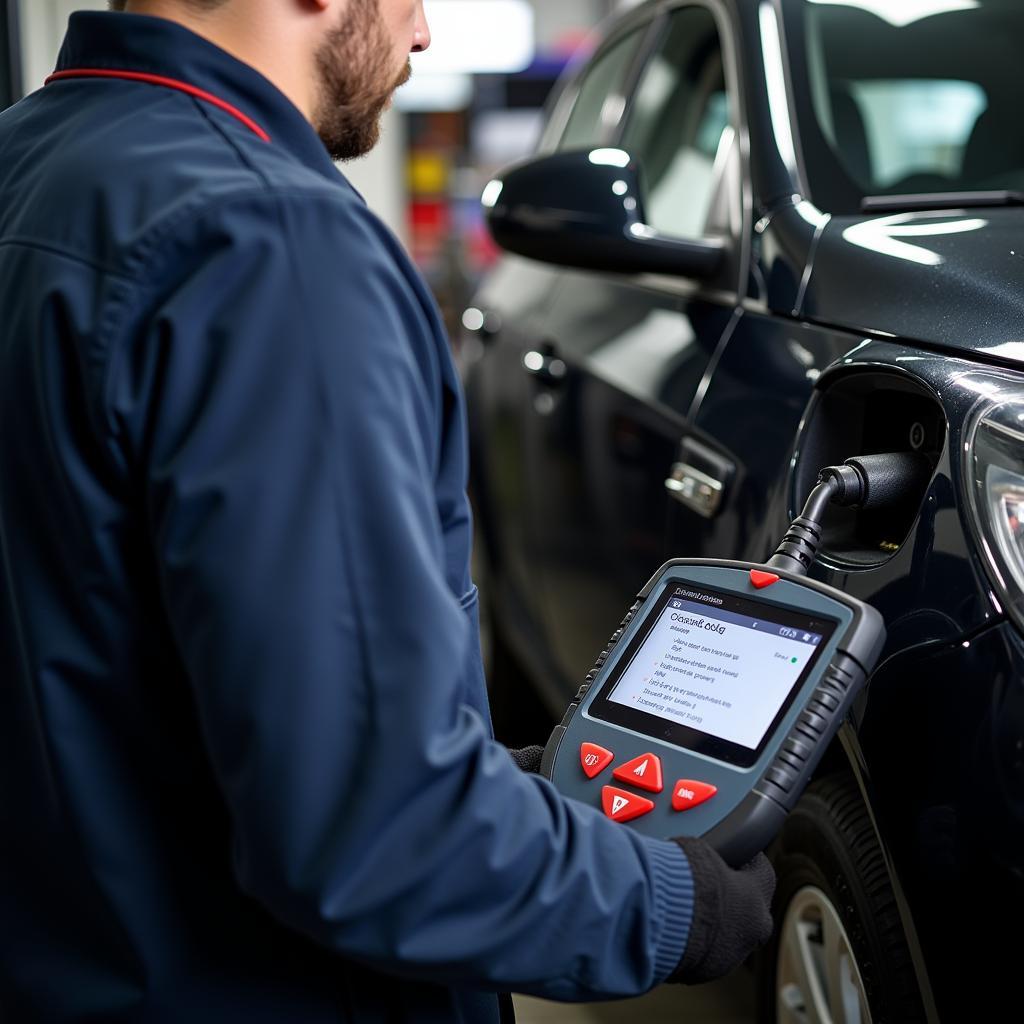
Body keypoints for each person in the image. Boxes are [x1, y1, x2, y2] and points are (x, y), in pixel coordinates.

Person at [0, 1, 775, 1020]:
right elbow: (378, 837)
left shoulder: (29, 162)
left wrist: (476, 776)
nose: (420, 34)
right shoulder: (270, 243)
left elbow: (101, 644)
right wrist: (679, 905)